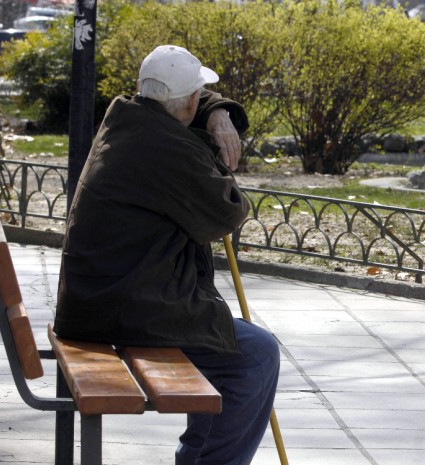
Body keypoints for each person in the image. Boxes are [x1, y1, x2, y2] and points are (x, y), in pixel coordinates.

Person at [54, 45, 280, 465]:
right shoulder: (166, 149)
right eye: (201, 98)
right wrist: (217, 145)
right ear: (190, 103)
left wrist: (217, 113)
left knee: (239, 349)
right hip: (125, 307)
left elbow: (177, 101)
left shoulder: (129, 116)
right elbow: (226, 212)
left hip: (101, 298)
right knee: (256, 356)